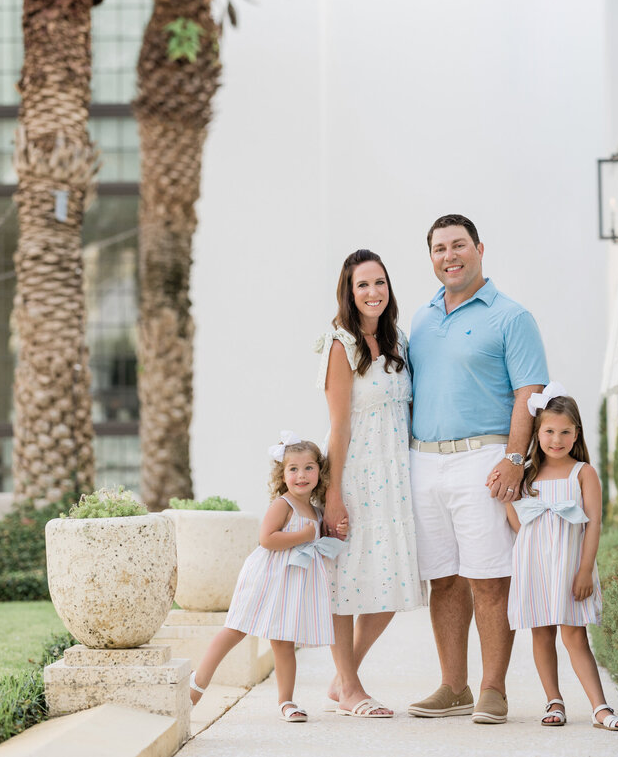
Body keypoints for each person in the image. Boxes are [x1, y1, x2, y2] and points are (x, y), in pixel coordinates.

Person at [406, 214, 547, 724]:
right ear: (431, 258)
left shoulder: (512, 317)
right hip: (424, 460)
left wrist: (514, 459)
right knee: (442, 579)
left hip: (485, 459)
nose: (450, 256)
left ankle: (493, 689)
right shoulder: (420, 319)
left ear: (480, 248)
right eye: (440, 248)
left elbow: (528, 395)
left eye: (459, 245)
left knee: (489, 578)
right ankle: (453, 686)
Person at [316, 249, 426, 718]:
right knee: (346, 580)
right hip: (355, 473)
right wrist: (333, 493)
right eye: (363, 285)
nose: (373, 292)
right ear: (349, 291)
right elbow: (338, 425)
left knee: (392, 580)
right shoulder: (340, 343)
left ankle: (343, 677)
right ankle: (353, 688)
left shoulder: (398, 339)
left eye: (379, 282)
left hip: (395, 477)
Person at [188, 433, 342, 723]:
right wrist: (307, 534)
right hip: (268, 576)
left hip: (291, 582)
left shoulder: (316, 509)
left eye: (309, 467)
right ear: (282, 475)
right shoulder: (283, 504)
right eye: (293, 469)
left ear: (319, 471)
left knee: (283, 642)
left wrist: (333, 530)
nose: (301, 475)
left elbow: (323, 540)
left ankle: (287, 701)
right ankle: (196, 686)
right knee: (236, 629)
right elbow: (267, 539)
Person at [504, 384, 618, 732]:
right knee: (541, 634)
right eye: (549, 431)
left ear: (576, 434)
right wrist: (505, 499)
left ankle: (599, 707)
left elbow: (593, 525)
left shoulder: (583, 473)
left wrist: (585, 570)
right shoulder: (527, 473)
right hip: (535, 565)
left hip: (571, 566)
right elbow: (519, 526)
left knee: (575, 636)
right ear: (537, 432)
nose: (556, 439)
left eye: (564, 432)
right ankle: (554, 701)